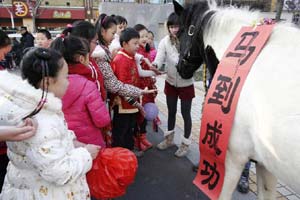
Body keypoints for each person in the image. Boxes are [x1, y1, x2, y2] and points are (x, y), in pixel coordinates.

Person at [0, 48, 100, 199]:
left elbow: (52, 143)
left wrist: (73, 142)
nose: (68, 82)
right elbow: (58, 172)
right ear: (48, 81)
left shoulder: (30, 106)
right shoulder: (42, 120)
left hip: (27, 187)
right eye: (65, 77)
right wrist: (86, 154)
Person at [51, 35, 111, 149]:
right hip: (89, 145)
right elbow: (102, 121)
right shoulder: (87, 85)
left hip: (61, 143)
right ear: (82, 59)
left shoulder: (48, 84)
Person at [153, 12, 194, 157]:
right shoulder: (165, 41)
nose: (174, 29)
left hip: (186, 83)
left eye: (177, 26)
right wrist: (155, 65)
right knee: (171, 112)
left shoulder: (188, 41)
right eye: (171, 27)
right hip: (170, 81)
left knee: (186, 114)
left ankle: (185, 144)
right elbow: (159, 57)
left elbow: (187, 61)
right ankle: (169, 139)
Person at [110, 28, 141, 154]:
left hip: (131, 102)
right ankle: (120, 156)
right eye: (135, 43)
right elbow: (122, 85)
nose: (138, 46)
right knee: (121, 130)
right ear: (124, 44)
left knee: (129, 128)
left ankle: (128, 153)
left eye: (138, 43)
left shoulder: (130, 56)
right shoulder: (121, 59)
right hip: (123, 103)